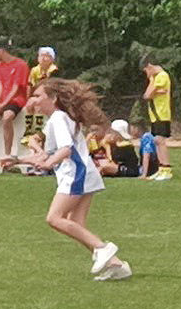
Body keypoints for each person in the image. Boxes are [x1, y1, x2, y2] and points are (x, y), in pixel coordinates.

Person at [27, 78, 130, 281]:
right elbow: (48, 154)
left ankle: (103, 248)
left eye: (38, 96)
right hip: (84, 172)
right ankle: (116, 264)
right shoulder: (57, 119)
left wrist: (48, 164)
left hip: (76, 173)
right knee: (76, 223)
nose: (34, 100)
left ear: (53, 98)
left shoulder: (58, 118)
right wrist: (16, 160)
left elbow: (66, 149)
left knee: (54, 218)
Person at [142, 57, 174, 181]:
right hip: (155, 115)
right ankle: (161, 169)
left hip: (161, 114)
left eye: (146, 70)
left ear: (150, 66)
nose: (146, 74)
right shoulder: (155, 77)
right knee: (156, 140)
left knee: (160, 140)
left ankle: (166, 169)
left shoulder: (162, 76)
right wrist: (154, 90)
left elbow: (148, 94)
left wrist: (152, 85)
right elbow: (147, 95)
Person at [23, 47, 58, 138]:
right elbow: (30, 84)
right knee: (29, 105)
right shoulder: (35, 70)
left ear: (52, 59)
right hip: (38, 94)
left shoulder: (53, 69)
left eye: (46, 56)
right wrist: (27, 97)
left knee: (39, 106)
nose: (43, 58)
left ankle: (38, 130)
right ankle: (29, 129)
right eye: (41, 55)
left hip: (50, 94)